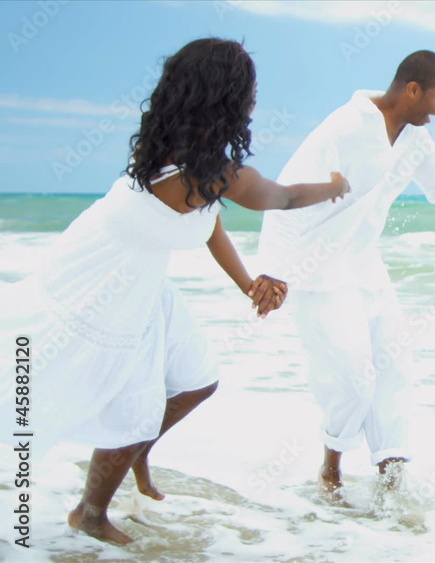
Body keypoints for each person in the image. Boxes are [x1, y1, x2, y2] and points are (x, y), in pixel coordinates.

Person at [0, 38, 350, 545]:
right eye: (249, 92)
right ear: (229, 98)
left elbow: (206, 222)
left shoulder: (183, 156)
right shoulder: (213, 174)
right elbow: (287, 197)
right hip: (100, 288)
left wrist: (247, 283)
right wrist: (336, 185)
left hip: (134, 282)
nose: (254, 100)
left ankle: (135, 451)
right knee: (122, 407)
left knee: (196, 381)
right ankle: (91, 513)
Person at [257, 50, 435, 494]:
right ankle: (331, 468)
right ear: (413, 90)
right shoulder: (344, 127)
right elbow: (284, 197)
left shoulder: (416, 139)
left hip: (366, 266)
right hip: (317, 269)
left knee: (395, 369)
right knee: (354, 381)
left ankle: (391, 480)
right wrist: (272, 272)